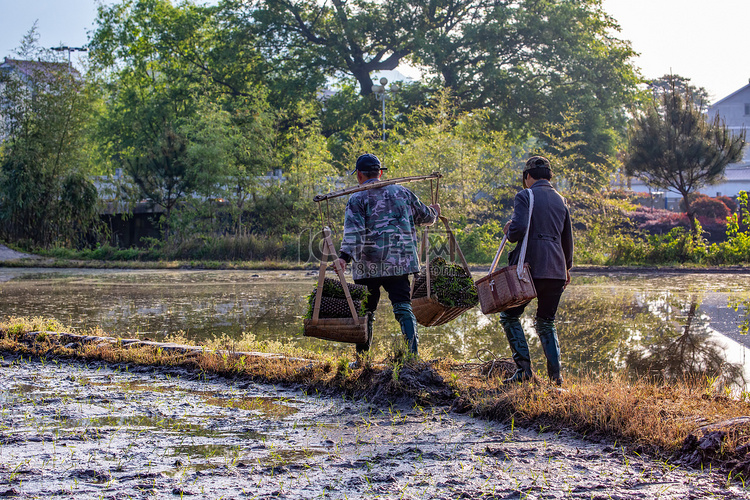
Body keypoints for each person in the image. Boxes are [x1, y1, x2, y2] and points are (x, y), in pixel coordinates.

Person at [335, 153, 440, 361]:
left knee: (365, 310)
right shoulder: (403, 192)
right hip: (399, 264)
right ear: (380, 173)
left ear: (360, 176)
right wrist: (434, 212)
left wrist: (343, 258)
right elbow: (426, 217)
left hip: (368, 266)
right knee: (402, 305)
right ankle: (413, 358)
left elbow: (353, 233)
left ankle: (363, 361)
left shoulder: (357, 198)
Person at [500, 156, 573, 385]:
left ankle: (523, 371)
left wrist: (509, 230)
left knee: (509, 316)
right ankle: (556, 379)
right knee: (546, 321)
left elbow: (519, 229)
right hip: (556, 270)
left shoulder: (525, 195)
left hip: (530, 269)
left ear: (528, 176)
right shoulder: (561, 200)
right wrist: (566, 268)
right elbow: (567, 239)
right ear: (548, 176)